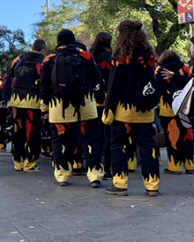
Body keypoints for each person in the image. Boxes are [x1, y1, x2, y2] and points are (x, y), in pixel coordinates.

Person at [103, 20, 160, 197]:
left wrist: (108, 110)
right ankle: (152, 185)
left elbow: (114, 85)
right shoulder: (148, 54)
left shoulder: (122, 54)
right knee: (147, 146)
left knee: (118, 145)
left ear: (122, 34)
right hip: (146, 109)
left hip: (124, 109)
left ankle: (120, 184)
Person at [40, 30, 104, 187]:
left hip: (59, 107)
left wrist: (45, 107)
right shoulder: (86, 56)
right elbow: (96, 78)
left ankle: (63, 176)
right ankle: (94, 175)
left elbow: (44, 86)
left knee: (61, 141)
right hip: (85, 106)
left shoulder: (50, 59)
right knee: (90, 139)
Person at [8, 39, 46, 172]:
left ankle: (17, 162)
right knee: (32, 133)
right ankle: (29, 164)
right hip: (33, 101)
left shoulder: (19, 58)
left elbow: (10, 74)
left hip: (16, 100)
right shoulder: (43, 60)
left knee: (17, 131)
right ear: (43, 49)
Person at [155, 50, 194, 175]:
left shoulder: (160, 68)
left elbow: (157, 85)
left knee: (172, 136)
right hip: (184, 106)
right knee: (187, 135)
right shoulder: (183, 66)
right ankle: (190, 165)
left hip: (168, 107)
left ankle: (175, 166)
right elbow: (189, 82)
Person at [90, 32, 113, 179]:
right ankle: (108, 169)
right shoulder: (110, 57)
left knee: (93, 136)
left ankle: (93, 166)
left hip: (91, 100)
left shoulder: (89, 57)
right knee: (108, 137)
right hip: (107, 100)